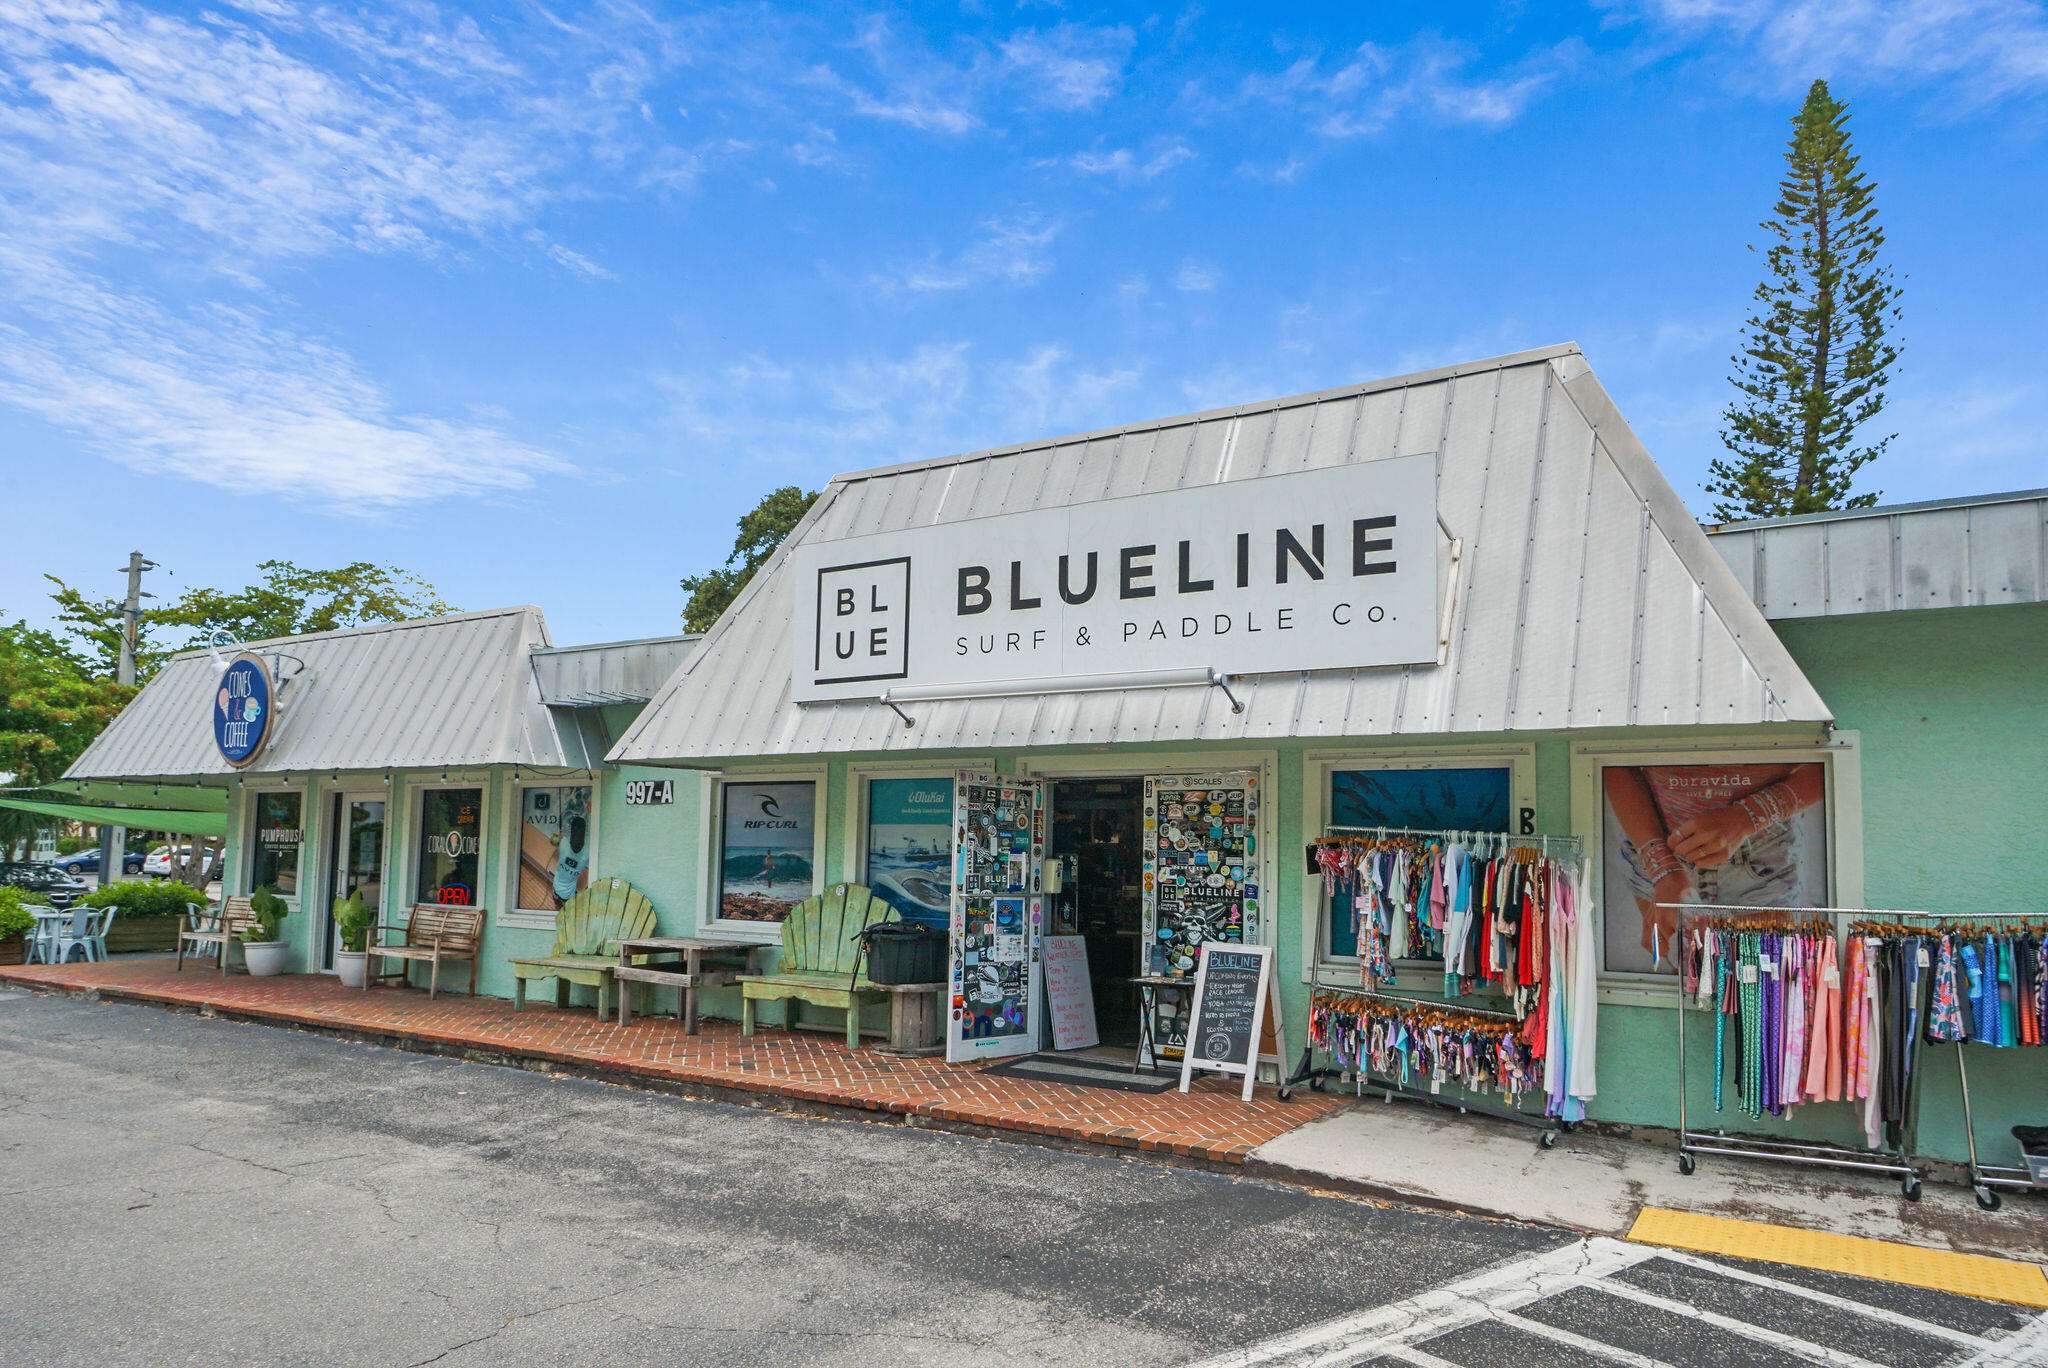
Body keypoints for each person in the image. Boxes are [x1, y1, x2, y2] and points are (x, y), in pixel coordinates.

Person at [1604, 763, 1825, 968]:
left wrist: (1747, 817)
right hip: (1656, 838)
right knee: (1687, 976)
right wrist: (1663, 870)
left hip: (1762, 850)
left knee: (1761, 981)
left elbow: (1835, 753)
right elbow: (1612, 754)